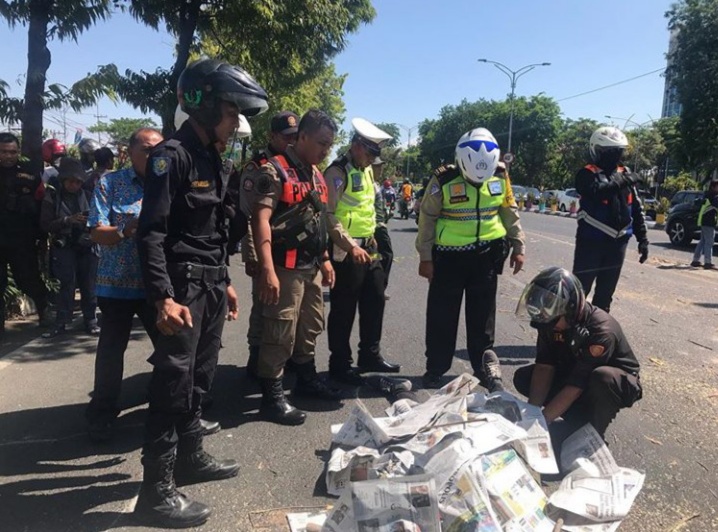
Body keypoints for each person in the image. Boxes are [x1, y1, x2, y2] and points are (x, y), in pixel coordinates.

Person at [134, 58, 268, 528]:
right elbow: (151, 233)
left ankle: (191, 458)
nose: (236, 123)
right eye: (232, 113)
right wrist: (162, 298)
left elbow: (212, 231)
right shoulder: (172, 156)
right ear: (206, 105)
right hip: (181, 288)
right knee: (172, 384)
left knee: (200, 378)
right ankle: (155, 492)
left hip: (209, 283)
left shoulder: (214, 157)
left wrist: (226, 280)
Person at [246, 109, 342, 425]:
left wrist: (326, 259)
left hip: (311, 265)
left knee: (310, 326)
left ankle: (306, 379)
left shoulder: (315, 174)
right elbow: (259, 220)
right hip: (284, 267)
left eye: (329, 145)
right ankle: (272, 396)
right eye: (321, 143)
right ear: (301, 137)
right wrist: (267, 269)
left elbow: (319, 222)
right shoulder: (273, 172)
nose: (326, 150)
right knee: (280, 330)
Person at [416, 127, 525, 390]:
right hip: (448, 260)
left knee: (483, 316)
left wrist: (518, 245)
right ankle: (436, 368)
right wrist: (425, 257)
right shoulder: (443, 179)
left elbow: (508, 210)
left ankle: (483, 364)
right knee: (442, 315)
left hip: (486, 257)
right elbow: (427, 219)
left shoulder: (499, 174)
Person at [84, 127, 165, 442]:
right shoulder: (110, 183)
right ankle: (102, 414)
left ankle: (171, 402)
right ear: (128, 152)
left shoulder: (169, 183)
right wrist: (124, 230)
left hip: (157, 286)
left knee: (171, 348)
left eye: (158, 149)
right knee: (110, 352)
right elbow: (95, 230)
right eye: (146, 148)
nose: (152, 155)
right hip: (116, 285)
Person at [513, 267, 642, 442]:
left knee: (603, 378)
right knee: (524, 377)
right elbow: (544, 367)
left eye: (552, 323)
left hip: (612, 383)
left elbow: (576, 385)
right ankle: (574, 420)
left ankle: (594, 432)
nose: (549, 328)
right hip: (575, 371)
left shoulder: (601, 331)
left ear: (571, 311)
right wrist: (532, 417)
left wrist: (542, 423)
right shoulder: (550, 321)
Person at [325, 118, 401, 386]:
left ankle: (369, 356)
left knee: (375, 300)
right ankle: (340, 364)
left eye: (374, 155)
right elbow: (329, 216)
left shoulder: (367, 169)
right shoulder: (337, 173)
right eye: (369, 153)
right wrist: (351, 245)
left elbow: (368, 207)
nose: (371, 160)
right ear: (356, 146)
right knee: (344, 308)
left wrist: (374, 236)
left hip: (369, 246)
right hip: (347, 251)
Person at [239, 110, 299, 379]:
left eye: (295, 136)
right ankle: (255, 356)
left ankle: (276, 361)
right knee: (262, 303)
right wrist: (253, 256)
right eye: (286, 137)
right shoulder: (258, 166)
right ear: (272, 136)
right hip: (263, 247)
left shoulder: (295, 165)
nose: (291, 141)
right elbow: (249, 214)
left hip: (288, 249)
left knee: (281, 309)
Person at [573, 126, 649, 313]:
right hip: (591, 242)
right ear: (596, 150)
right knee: (579, 292)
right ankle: (568, 335)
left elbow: (636, 209)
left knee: (605, 295)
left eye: (618, 151)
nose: (614, 156)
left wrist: (643, 239)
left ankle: (596, 336)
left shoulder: (625, 173)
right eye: (608, 152)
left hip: (618, 243)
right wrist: (625, 181)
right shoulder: (586, 173)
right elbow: (596, 192)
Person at [39, 158, 99, 339]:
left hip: (87, 245)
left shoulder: (89, 196)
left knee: (89, 285)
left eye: (78, 182)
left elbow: (102, 220)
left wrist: (89, 222)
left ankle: (91, 321)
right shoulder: (53, 197)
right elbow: (45, 224)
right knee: (67, 284)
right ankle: (61, 322)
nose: (74, 185)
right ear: (63, 180)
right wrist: (68, 220)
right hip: (64, 245)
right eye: (71, 181)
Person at [0, 132, 49, 337]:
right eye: (3, 152)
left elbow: (41, 207)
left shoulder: (31, 174)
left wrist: (42, 236)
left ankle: (44, 310)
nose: (8, 156)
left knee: (27, 280)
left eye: (12, 151)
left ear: (18, 152)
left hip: (23, 239)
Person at [371, 157, 394, 292]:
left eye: (380, 167)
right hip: (375, 226)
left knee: (377, 256)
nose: (380, 169)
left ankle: (376, 286)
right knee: (386, 255)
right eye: (376, 167)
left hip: (379, 224)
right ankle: (378, 287)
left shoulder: (376, 184)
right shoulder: (369, 184)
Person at [690, 177, 718, 269]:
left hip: (704, 221)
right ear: (714, 187)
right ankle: (707, 262)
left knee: (702, 241)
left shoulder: (707, 195)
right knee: (709, 242)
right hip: (709, 222)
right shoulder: (714, 197)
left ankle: (695, 260)